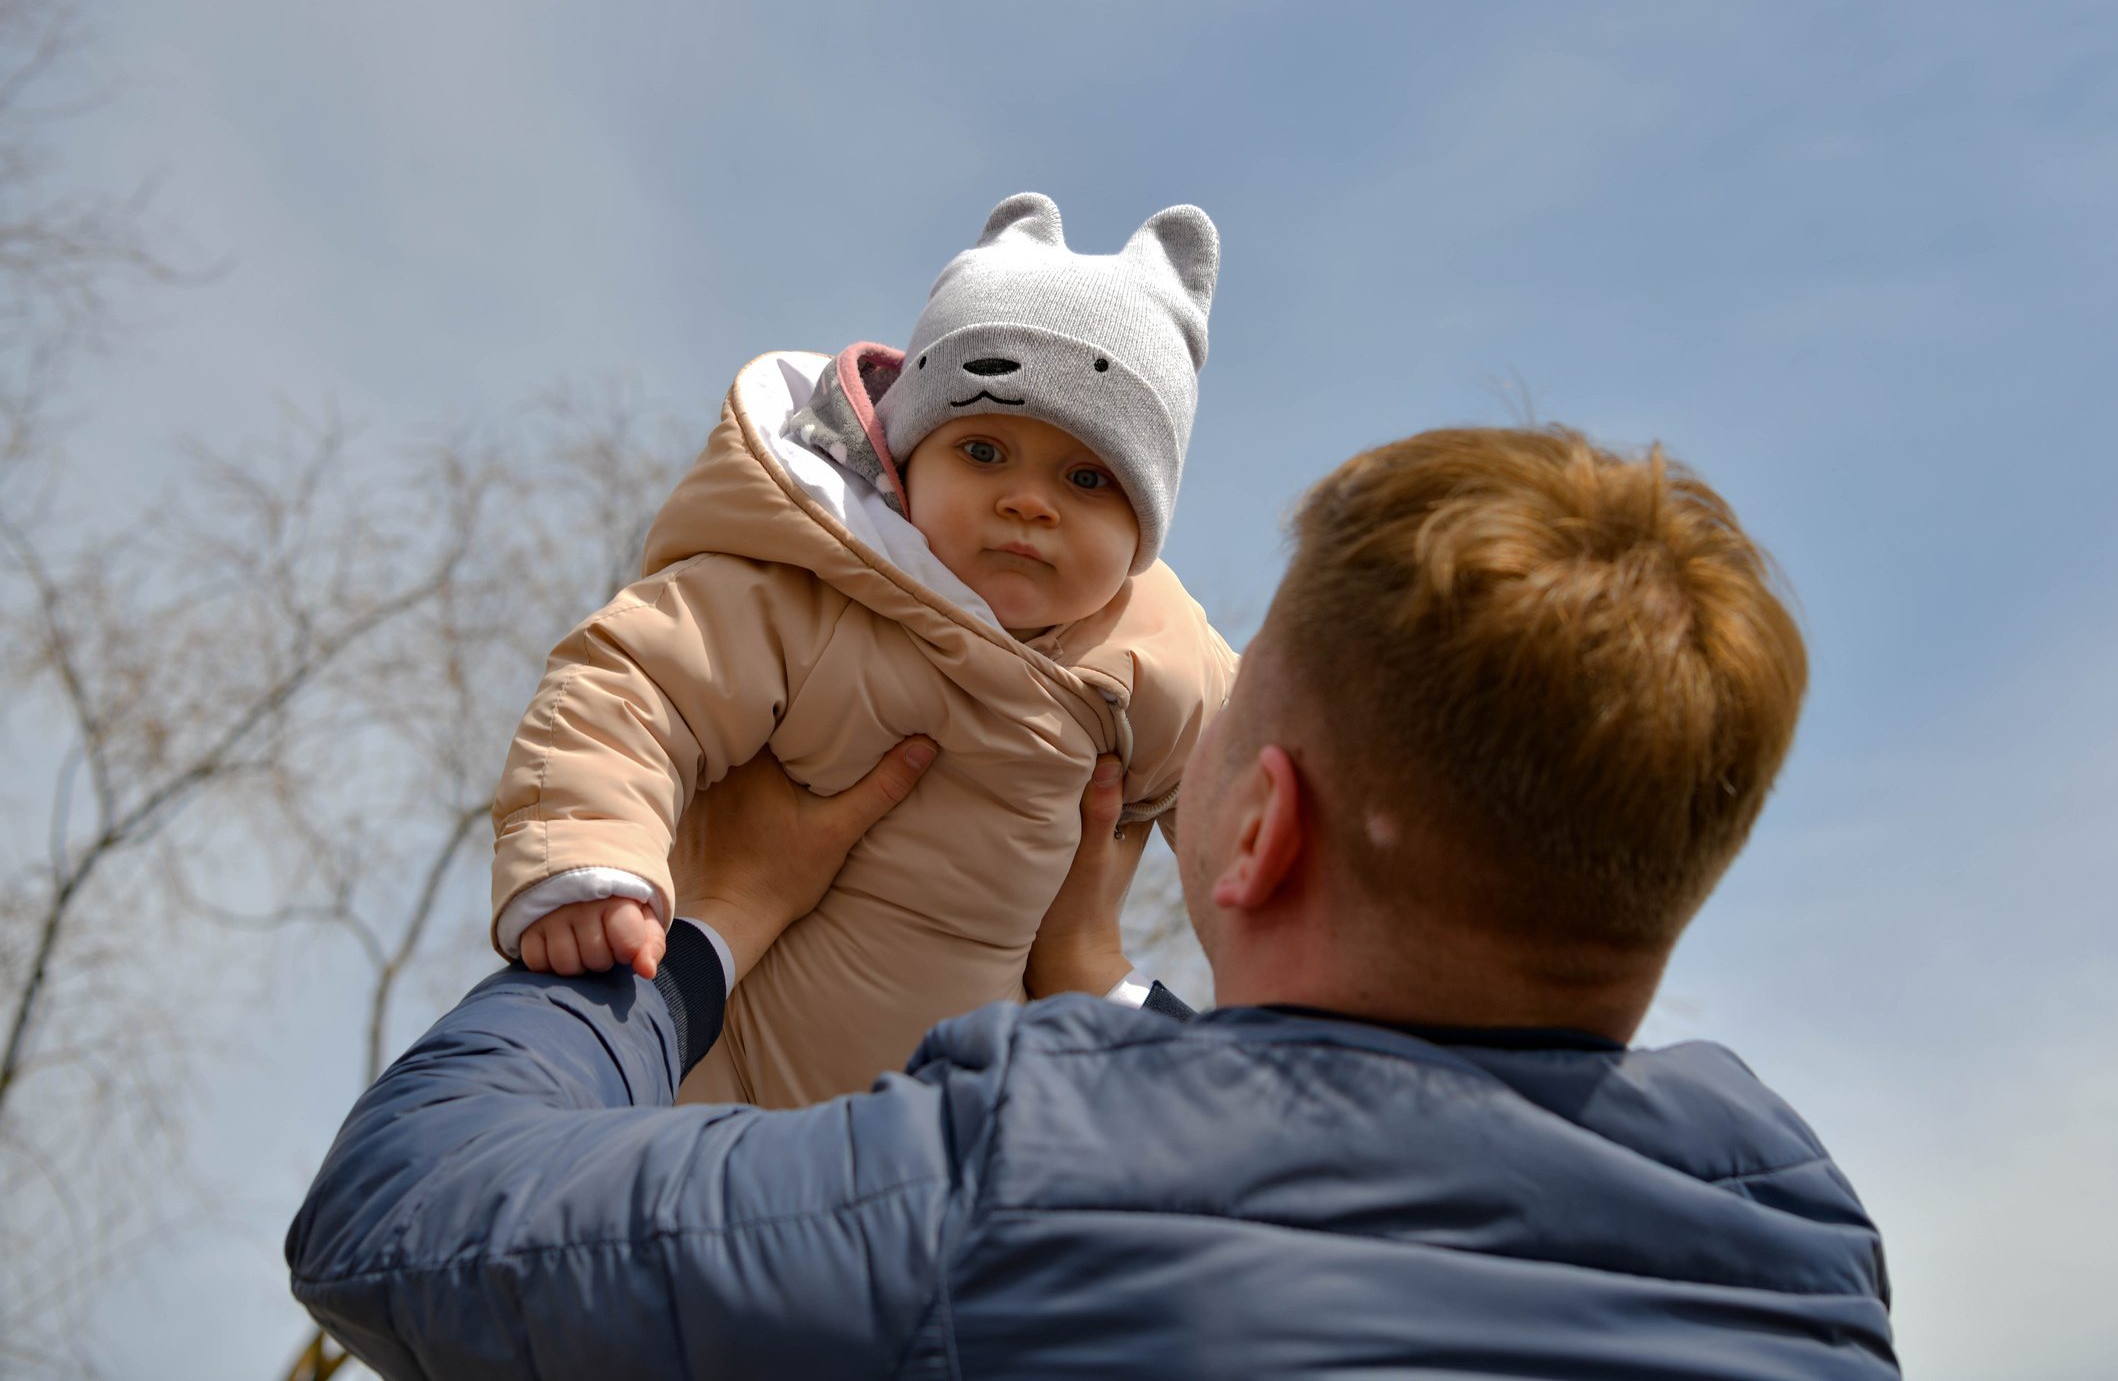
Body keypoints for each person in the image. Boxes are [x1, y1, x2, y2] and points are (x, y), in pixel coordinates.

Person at [290, 425, 1899, 1378]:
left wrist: (711, 924)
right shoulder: (1799, 1241)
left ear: (1259, 826)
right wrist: (1102, 983)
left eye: (1232, 693)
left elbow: (405, 1212)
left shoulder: (1031, 1175)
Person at [487, 191, 1237, 1103]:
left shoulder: (1157, 655)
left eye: (1086, 477)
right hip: (730, 1084)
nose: (1028, 502)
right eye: (986, 451)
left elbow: (1268, 798)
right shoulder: (817, 586)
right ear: (906, 454)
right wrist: (590, 854)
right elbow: (634, 683)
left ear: (1144, 529)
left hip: (953, 1137)